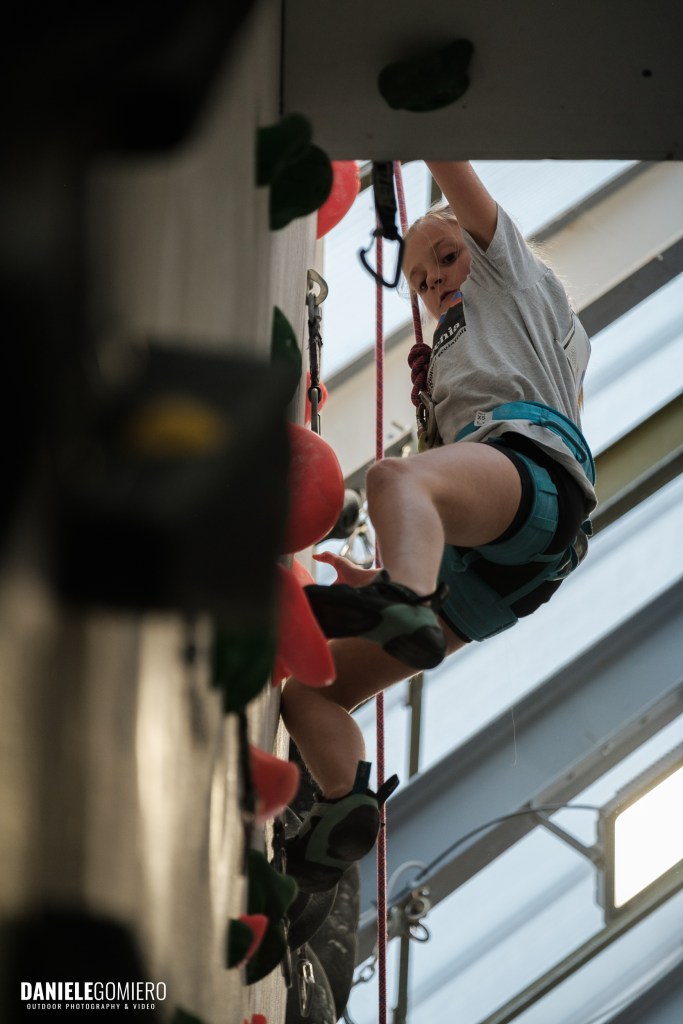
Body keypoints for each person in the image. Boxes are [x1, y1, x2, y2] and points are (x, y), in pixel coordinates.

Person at [281, 161, 597, 893]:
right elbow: (442, 500)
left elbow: (452, 168)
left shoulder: (515, 283)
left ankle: (405, 602)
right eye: (421, 281)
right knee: (308, 689)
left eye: (447, 257)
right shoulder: (449, 356)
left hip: (533, 479)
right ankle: (342, 804)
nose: (435, 281)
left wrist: (400, 136)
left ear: (485, 248)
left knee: (394, 479)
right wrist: (390, 567)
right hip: (491, 571)